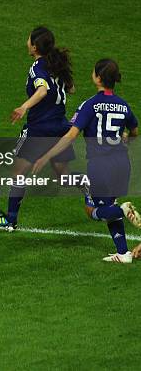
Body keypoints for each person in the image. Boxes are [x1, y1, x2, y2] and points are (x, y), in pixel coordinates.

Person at [33, 59, 138, 263]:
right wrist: (125, 138)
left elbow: (71, 135)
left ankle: (123, 210)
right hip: (122, 164)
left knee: (93, 211)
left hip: (101, 167)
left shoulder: (90, 105)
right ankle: (124, 252)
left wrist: (46, 155)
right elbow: (134, 131)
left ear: (97, 78)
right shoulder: (124, 105)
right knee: (107, 204)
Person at [0, 26, 75, 230]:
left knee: (18, 173)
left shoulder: (37, 67)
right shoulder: (56, 64)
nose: (26, 42)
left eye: (28, 39)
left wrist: (24, 107)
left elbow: (43, 91)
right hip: (60, 128)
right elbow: (71, 89)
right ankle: (93, 192)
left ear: (35, 47)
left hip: (38, 130)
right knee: (64, 176)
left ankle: (11, 220)